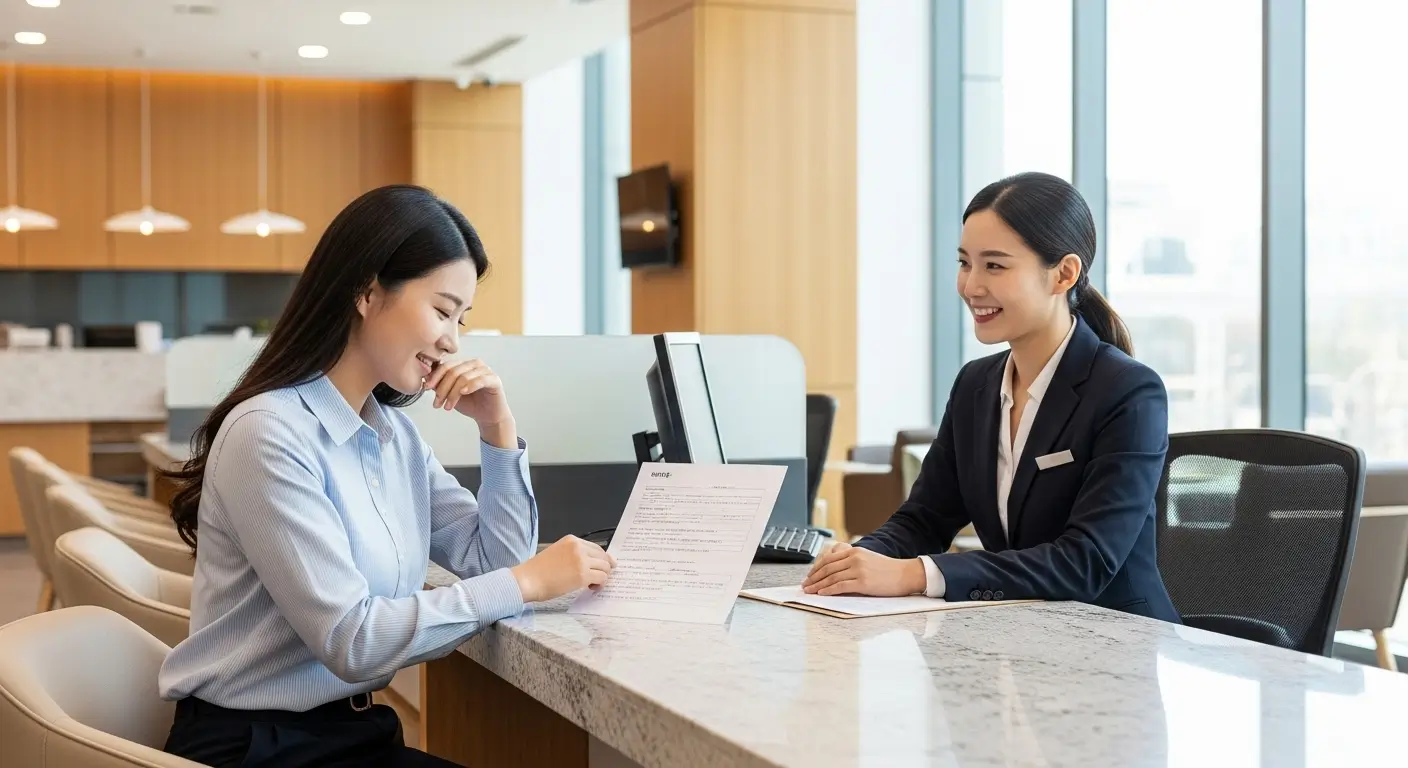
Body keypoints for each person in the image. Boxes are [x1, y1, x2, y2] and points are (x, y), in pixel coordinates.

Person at [157, 185, 616, 767]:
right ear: (368, 292)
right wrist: (528, 583)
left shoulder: (391, 437)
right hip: (258, 749)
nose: (453, 340)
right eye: (443, 310)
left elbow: (492, 561)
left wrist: (498, 428)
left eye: (462, 319)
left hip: (350, 735)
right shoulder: (269, 433)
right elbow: (354, 640)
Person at [802, 171, 1180, 623]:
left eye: (994, 266)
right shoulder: (975, 386)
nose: (971, 286)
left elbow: (1085, 561)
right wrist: (855, 563)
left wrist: (913, 575)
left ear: (1063, 274)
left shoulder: (1128, 391)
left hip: (1117, 644)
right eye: (965, 263)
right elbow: (925, 519)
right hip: (1017, 638)